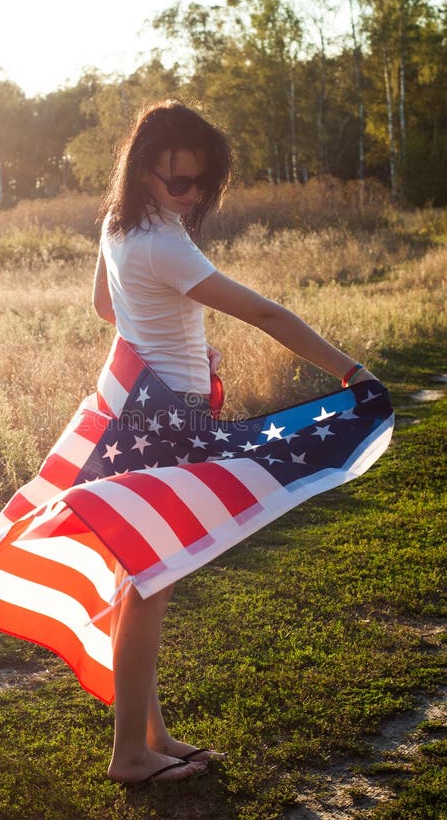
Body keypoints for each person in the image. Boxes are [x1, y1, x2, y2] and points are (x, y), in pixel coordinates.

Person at [92, 100, 377, 785]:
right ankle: (130, 754)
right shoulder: (164, 240)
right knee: (151, 582)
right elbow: (263, 311)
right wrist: (348, 370)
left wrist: (178, 341)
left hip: (144, 410)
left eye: (198, 182)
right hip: (171, 418)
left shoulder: (121, 224)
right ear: (144, 172)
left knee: (145, 578)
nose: (187, 195)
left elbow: (108, 308)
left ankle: (150, 734)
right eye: (174, 182)